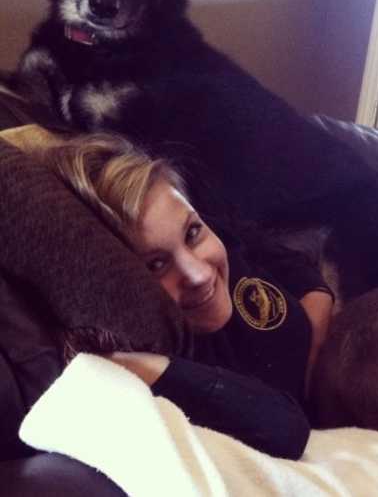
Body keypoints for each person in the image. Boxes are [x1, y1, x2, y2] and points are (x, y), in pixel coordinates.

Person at [9, 126, 330, 460]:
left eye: (192, 232)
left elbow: (280, 257)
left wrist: (318, 304)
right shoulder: (175, 350)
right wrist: (139, 366)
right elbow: (285, 429)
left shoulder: (215, 236)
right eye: (156, 265)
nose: (200, 273)